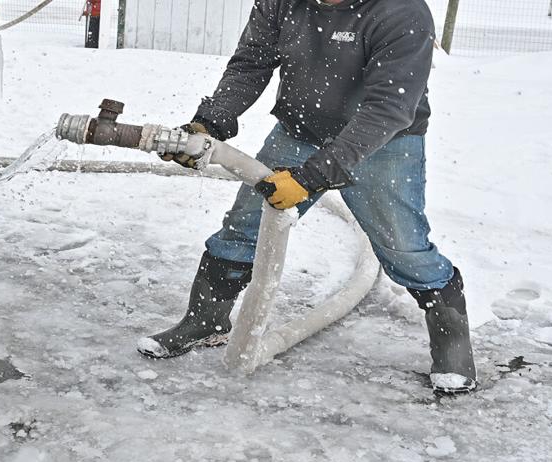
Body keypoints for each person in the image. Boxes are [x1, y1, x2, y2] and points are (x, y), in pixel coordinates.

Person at [139, 0, 476, 393]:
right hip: (298, 131)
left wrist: (312, 177)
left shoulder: (400, 12)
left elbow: (389, 109)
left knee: (404, 247)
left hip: (382, 145)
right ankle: (205, 320)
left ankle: (452, 340)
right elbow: (251, 63)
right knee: (243, 228)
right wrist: (209, 122)